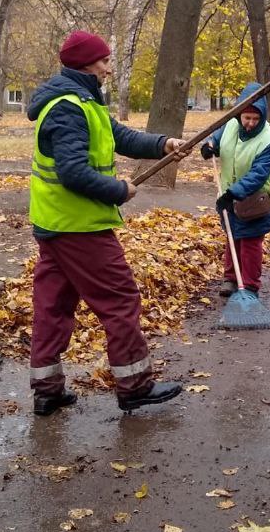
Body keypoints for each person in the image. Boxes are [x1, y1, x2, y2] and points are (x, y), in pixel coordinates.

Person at [26, 29, 187, 416]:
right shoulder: (67, 107)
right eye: (103, 61)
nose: (108, 68)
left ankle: (47, 390)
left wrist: (163, 143)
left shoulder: (84, 101)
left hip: (57, 225)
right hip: (79, 228)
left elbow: (119, 136)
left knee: (53, 305)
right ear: (85, 63)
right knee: (120, 299)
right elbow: (73, 172)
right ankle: (135, 385)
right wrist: (119, 190)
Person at [199, 82, 270, 297]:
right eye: (247, 118)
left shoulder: (269, 141)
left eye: (255, 119)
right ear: (240, 115)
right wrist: (209, 147)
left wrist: (233, 194)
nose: (251, 123)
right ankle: (231, 279)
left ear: (262, 117)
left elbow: (258, 175)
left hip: (257, 199)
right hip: (229, 195)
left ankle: (250, 286)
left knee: (251, 241)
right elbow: (215, 139)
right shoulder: (231, 125)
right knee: (233, 236)